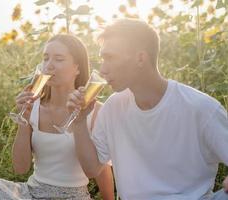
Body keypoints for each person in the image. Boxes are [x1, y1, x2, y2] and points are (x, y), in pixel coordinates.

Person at [0, 34, 114, 200]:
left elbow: (101, 167)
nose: (49, 65)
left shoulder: (95, 111)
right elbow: (20, 168)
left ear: (78, 68)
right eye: (45, 58)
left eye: (58, 59)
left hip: (73, 196)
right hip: (30, 193)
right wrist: (24, 120)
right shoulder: (32, 107)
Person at [67, 19, 228, 200]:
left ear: (140, 58)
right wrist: (79, 122)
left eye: (110, 58)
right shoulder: (113, 107)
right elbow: (92, 168)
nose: (103, 69)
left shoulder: (201, 109)